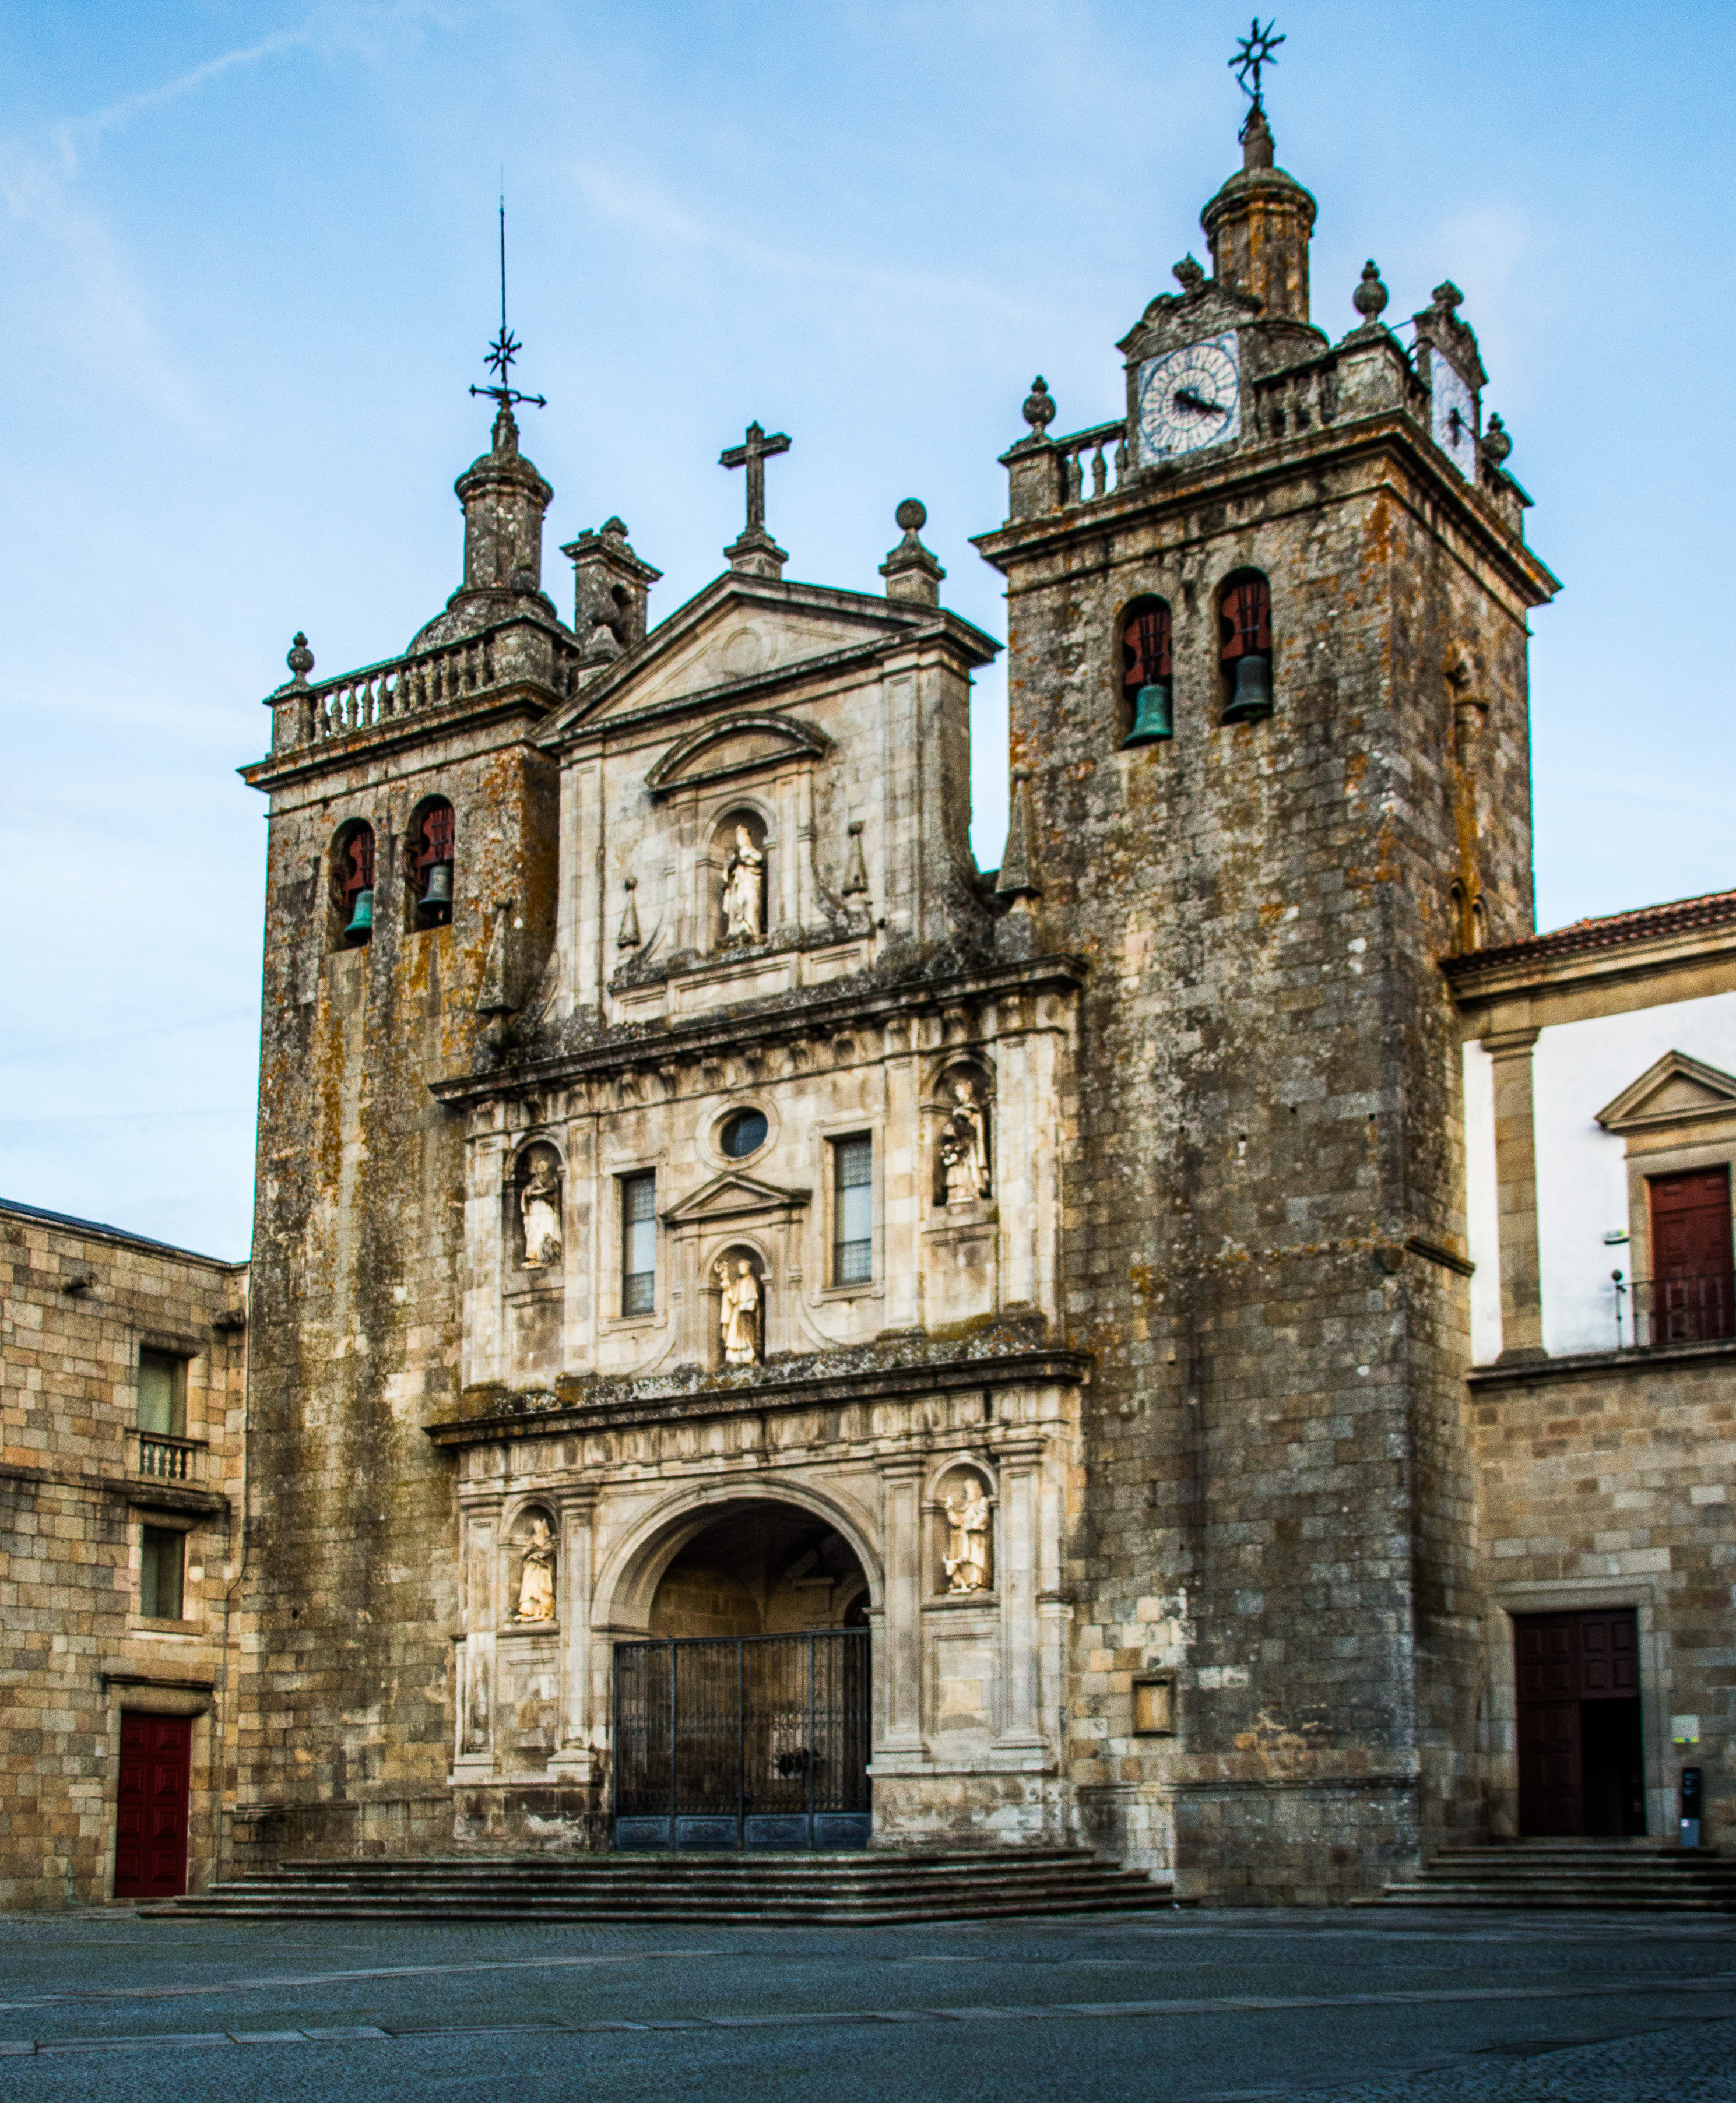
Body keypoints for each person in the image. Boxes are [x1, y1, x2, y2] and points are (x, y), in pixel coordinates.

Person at [721, 827, 764, 940]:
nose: (740, 840)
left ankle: (750, 930)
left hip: (750, 883)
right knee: (735, 906)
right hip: (737, 886)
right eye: (738, 838)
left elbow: (759, 859)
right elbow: (726, 871)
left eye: (742, 837)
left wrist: (745, 858)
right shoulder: (734, 857)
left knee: (749, 903)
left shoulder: (752, 852)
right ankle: (735, 932)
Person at [717, 1256, 762, 1364]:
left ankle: (747, 1355)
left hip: (746, 1312)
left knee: (746, 1335)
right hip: (738, 1311)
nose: (741, 1269)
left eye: (743, 1267)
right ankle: (734, 1355)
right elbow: (733, 1298)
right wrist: (727, 1286)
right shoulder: (738, 1282)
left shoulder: (752, 1281)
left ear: (748, 1268)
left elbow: (754, 1298)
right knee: (734, 1334)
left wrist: (747, 1307)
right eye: (739, 1267)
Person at [521, 1157, 563, 1267]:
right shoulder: (534, 1182)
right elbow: (527, 1193)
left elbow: (554, 1196)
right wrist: (532, 1192)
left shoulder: (551, 1181)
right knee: (534, 1232)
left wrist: (543, 1194)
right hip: (535, 1210)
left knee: (546, 1232)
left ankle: (547, 1257)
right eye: (539, 1170)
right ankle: (534, 1258)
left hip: (546, 1210)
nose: (540, 1172)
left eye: (543, 1169)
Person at [515, 1514, 557, 1621]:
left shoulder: (549, 1542)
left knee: (541, 1592)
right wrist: (531, 1551)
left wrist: (539, 1556)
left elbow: (550, 1554)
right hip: (531, 1571)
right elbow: (524, 1553)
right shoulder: (533, 1540)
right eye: (536, 1528)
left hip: (543, 1571)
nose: (537, 1530)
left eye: (539, 1528)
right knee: (530, 1590)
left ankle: (543, 1611)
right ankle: (529, 1612)